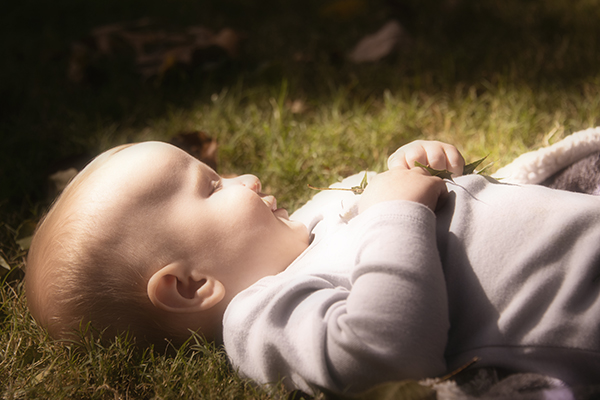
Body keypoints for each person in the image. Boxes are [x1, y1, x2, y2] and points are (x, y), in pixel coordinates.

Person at [25, 140, 600, 395]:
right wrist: (397, 211)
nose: (246, 179)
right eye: (212, 185)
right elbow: (383, 351)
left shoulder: (305, 226)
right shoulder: (261, 316)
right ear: (192, 285)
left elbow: (397, 195)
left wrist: (417, 166)